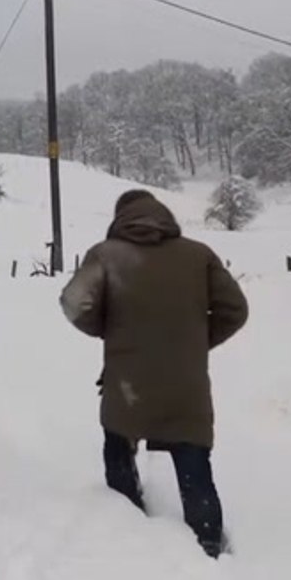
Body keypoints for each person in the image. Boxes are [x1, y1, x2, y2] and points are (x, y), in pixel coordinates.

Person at [59, 189, 248, 557]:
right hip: (186, 382)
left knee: (118, 445)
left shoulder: (107, 255)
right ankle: (208, 538)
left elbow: (73, 302)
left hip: (126, 378)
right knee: (193, 457)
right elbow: (235, 310)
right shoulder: (198, 255)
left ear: (121, 218)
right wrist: (198, 341)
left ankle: (127, 522)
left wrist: (106, 329)